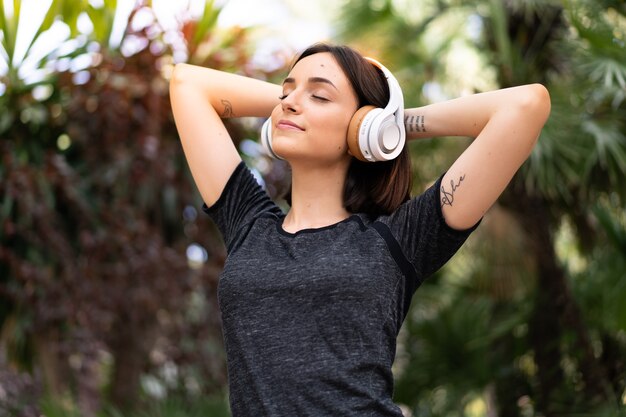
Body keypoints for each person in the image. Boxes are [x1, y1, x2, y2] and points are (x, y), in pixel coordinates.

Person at [169, 43, 550, 416]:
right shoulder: (248, 222)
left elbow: (526, 105)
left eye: (319, 96)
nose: (289, 102)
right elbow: (187, 84)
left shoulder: (400, 238)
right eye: (287, 91)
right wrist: (300, 100)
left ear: (363, 125)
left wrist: (389, 123)